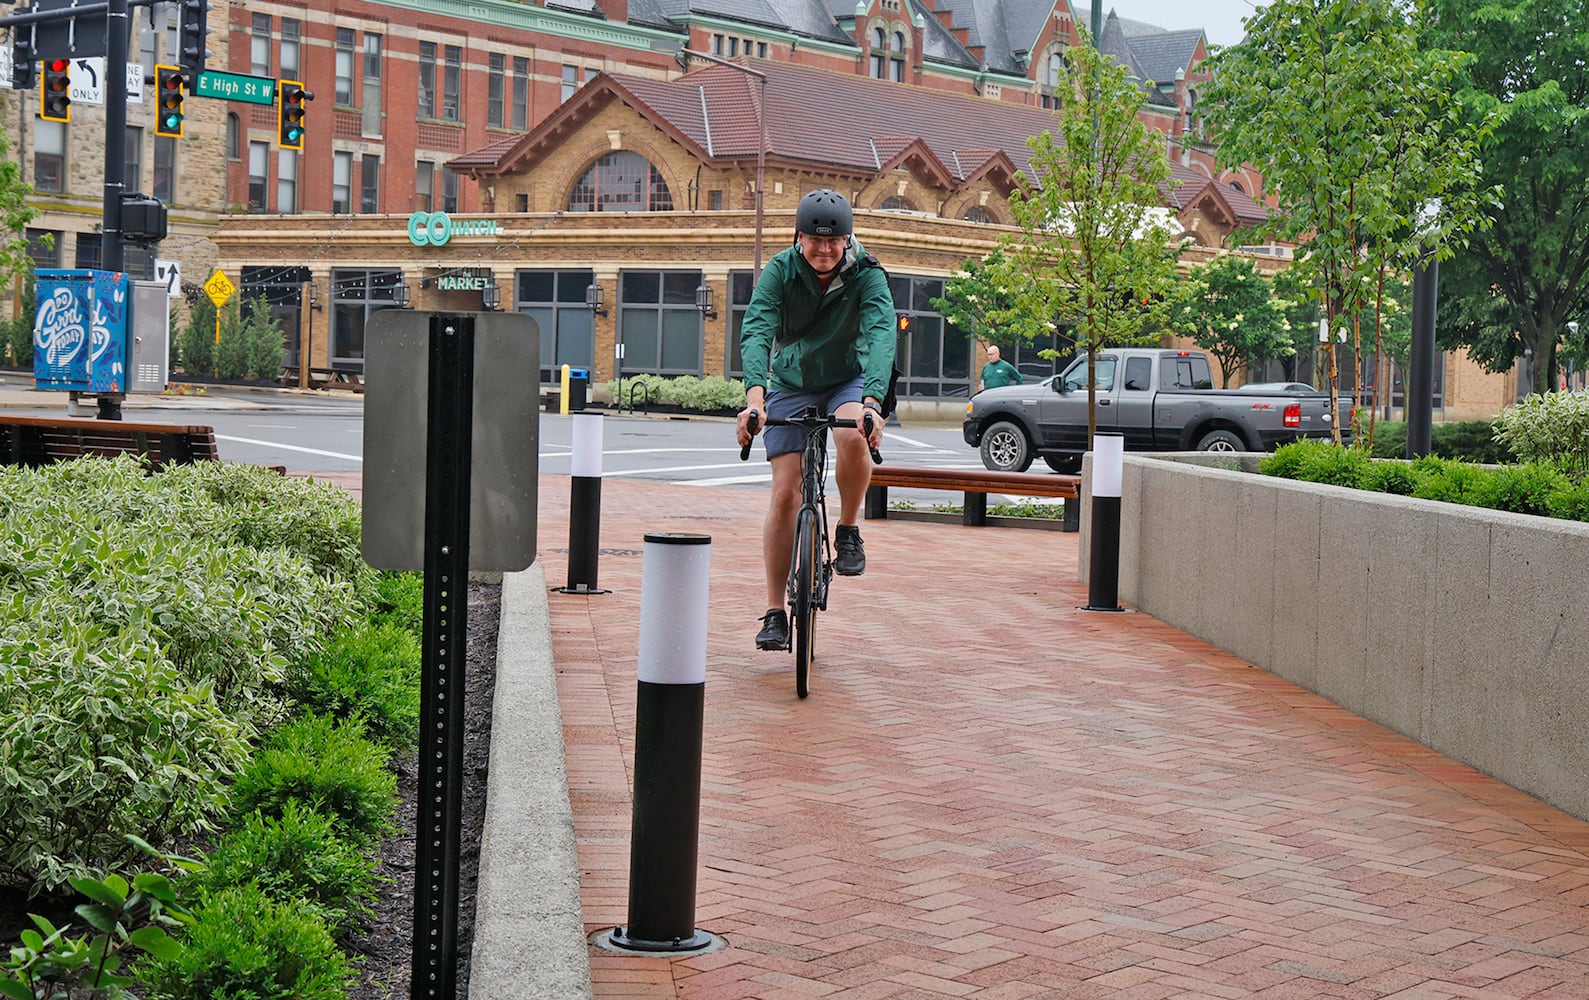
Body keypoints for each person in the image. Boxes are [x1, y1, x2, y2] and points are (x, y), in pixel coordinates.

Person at [736, 189, 896, 651]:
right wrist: (754, 400)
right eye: (814, 241)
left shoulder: (867, 274)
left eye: (835, 241)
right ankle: (773, 611)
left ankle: (847, 529)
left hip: (848, 380)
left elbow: (883, 335)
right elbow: (757, 329)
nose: (824, 250)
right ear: (798, 238)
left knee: (852, 436)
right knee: (785, 494)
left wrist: (873, 403)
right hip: (791, 381)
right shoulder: (780, 272)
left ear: (848, 239)